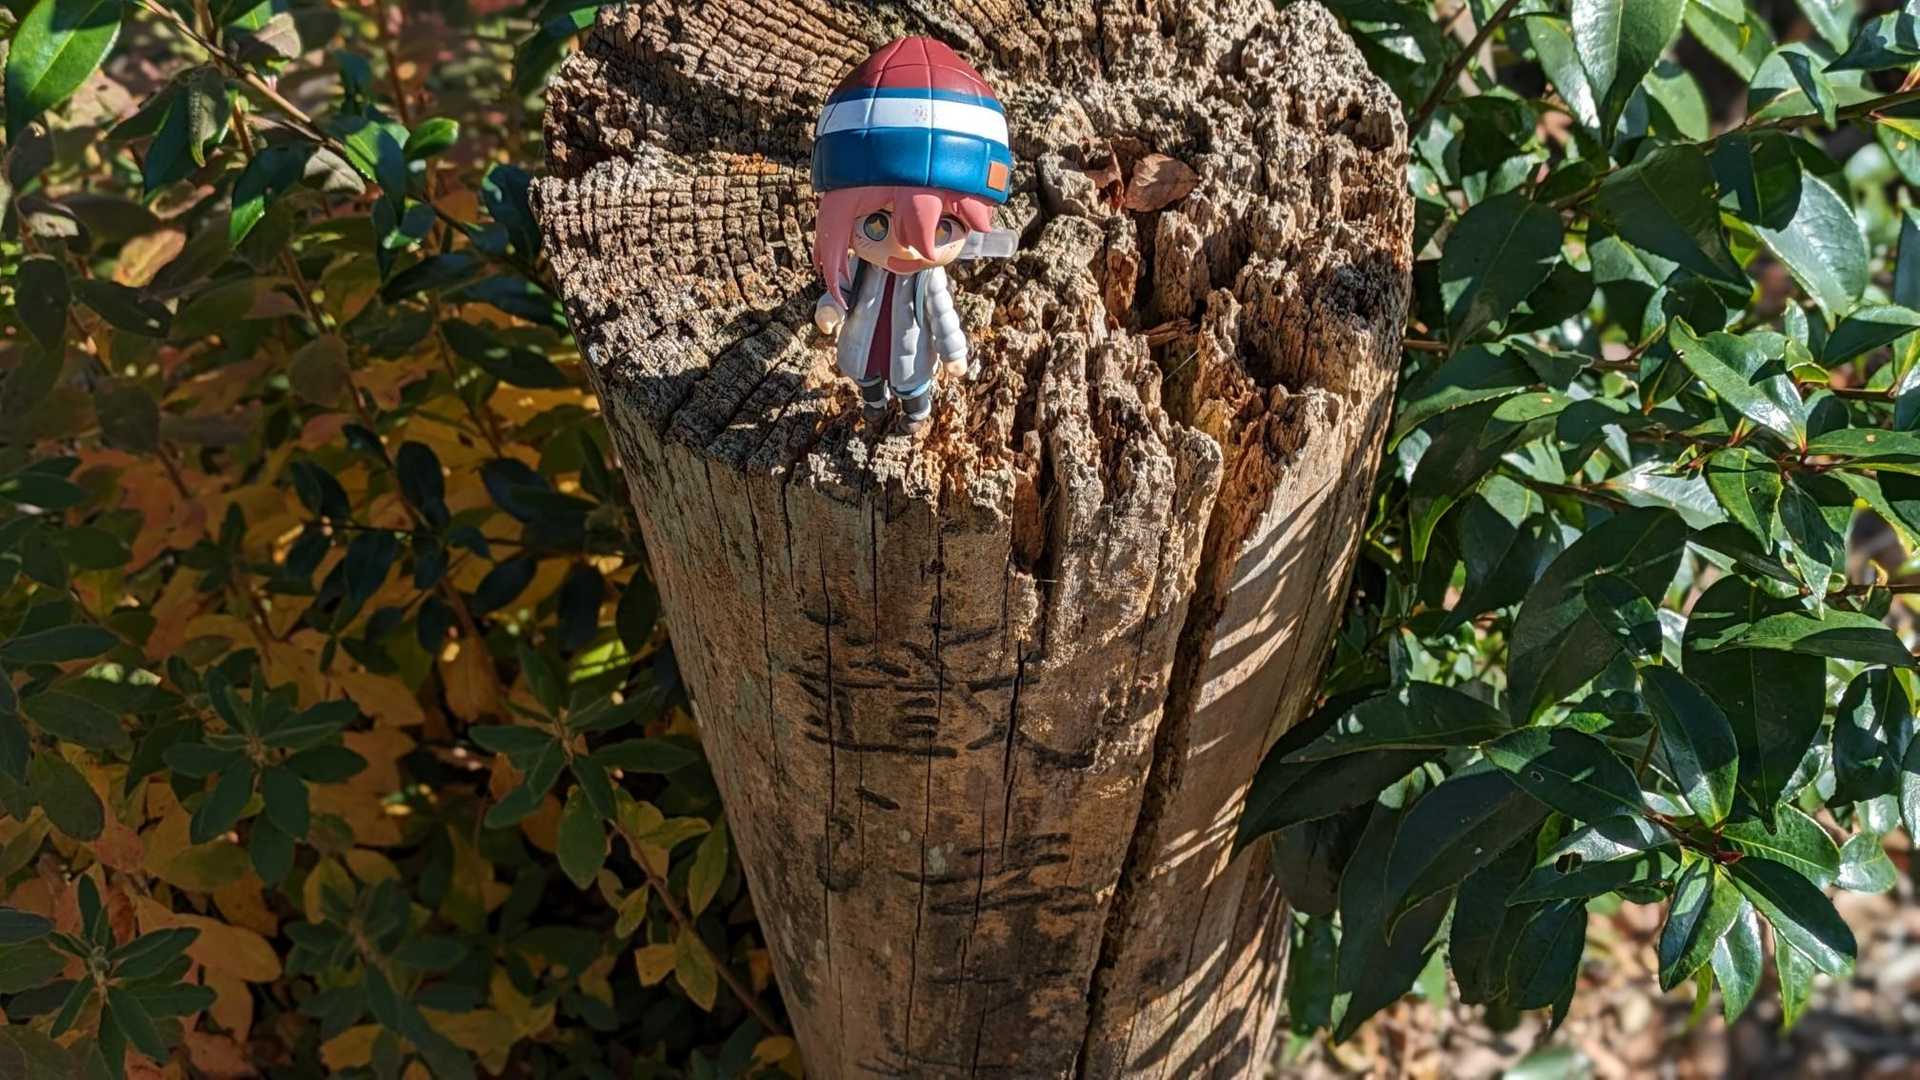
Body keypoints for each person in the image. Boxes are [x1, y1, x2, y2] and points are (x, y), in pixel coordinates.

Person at [810, 37, 1013, 433]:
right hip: (864, 345)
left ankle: (915, 412)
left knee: (912, 386)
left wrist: (953, 351)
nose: (905, 246)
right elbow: (843, 287)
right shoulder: (863, 265)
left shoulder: (928, 278)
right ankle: (873, 404)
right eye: (876, 224)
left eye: (943, 227)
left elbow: (943, 315)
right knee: (868, 378)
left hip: (912, 354)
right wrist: (831, 306)